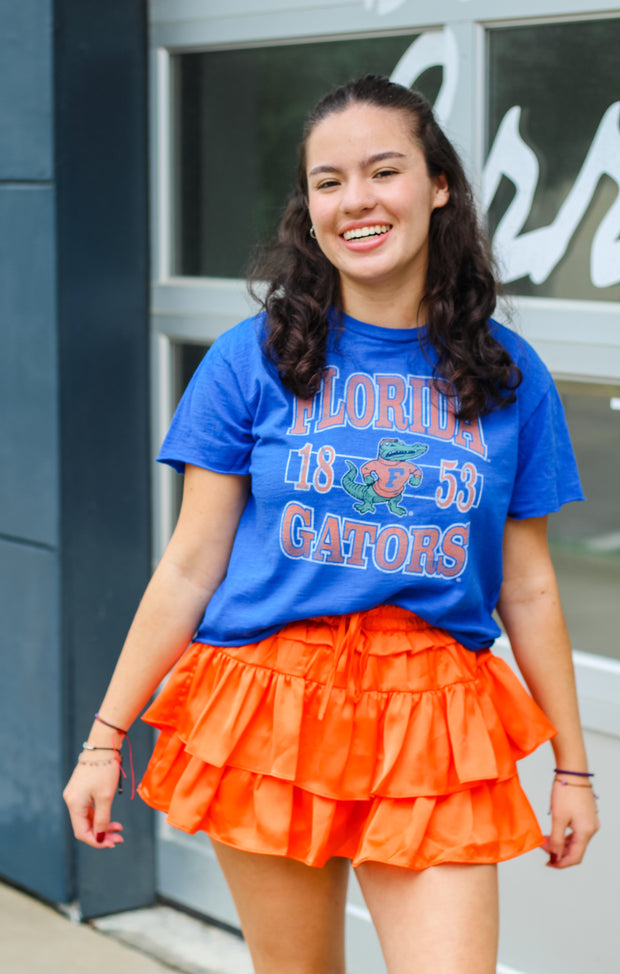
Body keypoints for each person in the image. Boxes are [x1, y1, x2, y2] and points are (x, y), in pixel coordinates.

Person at [64, 76, 599, 974]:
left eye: (383, 171)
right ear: (308, 207)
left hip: (432, 717)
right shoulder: (252, 360)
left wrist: (574, 770)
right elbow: (191, 566)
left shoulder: (510, 376)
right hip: (268, 705)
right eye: (328, 181)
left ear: (439, 187)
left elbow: (529, 584)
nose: (356, 200)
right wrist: (104, 739)